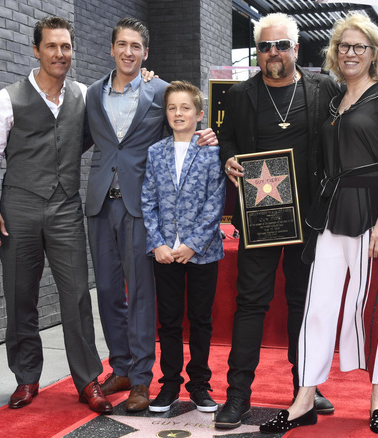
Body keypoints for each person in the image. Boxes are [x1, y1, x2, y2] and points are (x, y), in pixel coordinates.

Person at [259, 12, 378, 435]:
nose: (349, 53)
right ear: (334, 52)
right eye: (343, 46)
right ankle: (304, 399)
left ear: (373, 53)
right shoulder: (332, 101)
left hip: (372, 214)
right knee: (318, 307)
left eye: (358, 46)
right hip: (329, 212)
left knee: (372, 306)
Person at [0, 16, 111, 413]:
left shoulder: (84, 96)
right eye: (51, 46)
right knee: (20, 298)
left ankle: (88, 382)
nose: (59, 54)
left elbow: (115, 122)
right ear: (36, 50)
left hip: (66, 207)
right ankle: (26, 379)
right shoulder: (7, 98)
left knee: (77, 299)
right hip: (18, 207)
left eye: (66, 47)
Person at [83, 17, 216, 412]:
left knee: (140, 293)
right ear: (111, 49)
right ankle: (120, 367)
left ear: (145, 52)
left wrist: (207, 135)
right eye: (122, 44)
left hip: (140, 205)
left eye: (136, 46)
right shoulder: (91, 94)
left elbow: (184, 120)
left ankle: (142, 378)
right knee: (107, 291)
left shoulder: (160, 91)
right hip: (98, 202)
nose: (128, 52)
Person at [217, 12, 340, 430]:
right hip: (261, 217)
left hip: (309, 217)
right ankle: (238, 396)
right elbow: (227, 140)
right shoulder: (239, 95)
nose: (273, 53)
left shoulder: (323, 89)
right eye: (265, 46)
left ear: (296, 48)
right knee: (250, 304)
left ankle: (305, 389)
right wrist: (228, 159)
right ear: (257, 51)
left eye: (281, 45)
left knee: (303, 306)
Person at [140, 81, 225, 413]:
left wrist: (193, 244)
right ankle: (170, 385)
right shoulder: (155, 151)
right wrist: (157, 243)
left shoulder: (212, 151)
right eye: (172, 107)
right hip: (164, 254)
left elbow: (215, 202)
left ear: (199, 114)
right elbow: (148, 201)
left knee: (201, 320)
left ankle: (200, 385)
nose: (178, 113)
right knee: (170, 322)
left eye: (185, 108)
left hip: (202, 252)